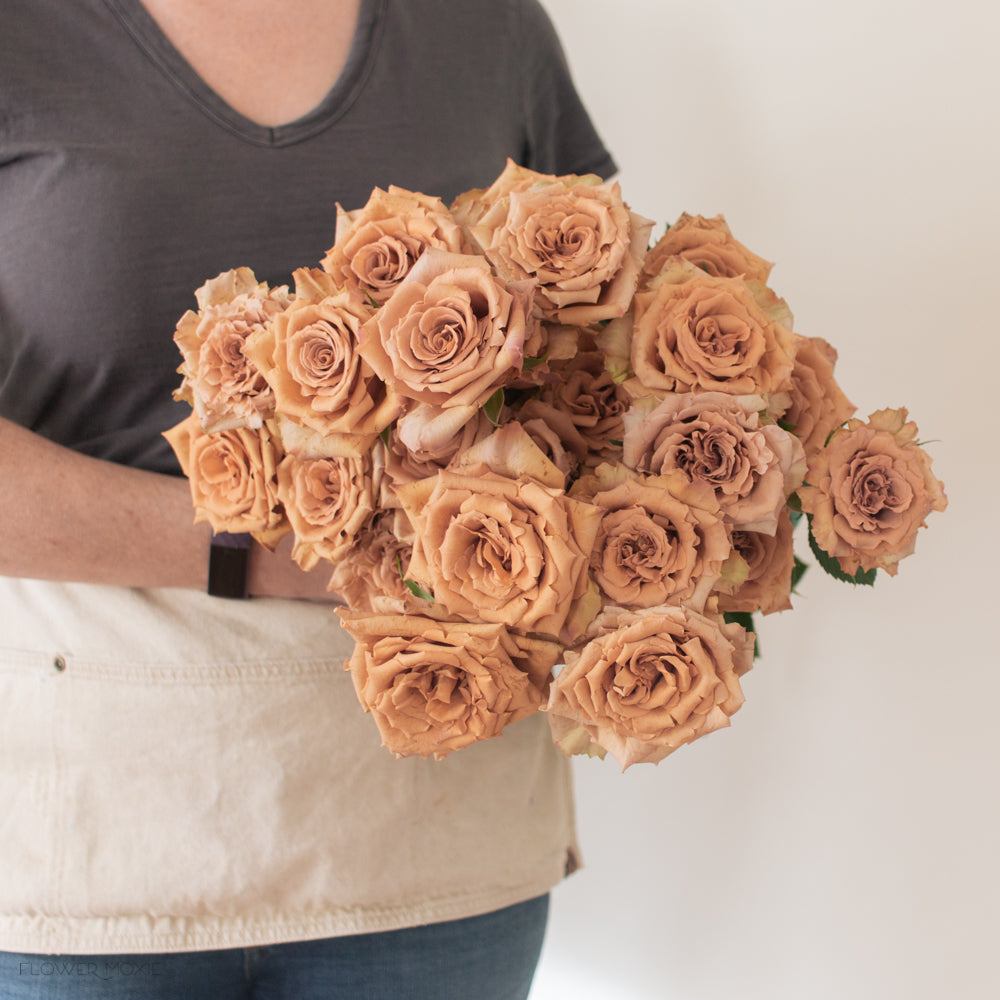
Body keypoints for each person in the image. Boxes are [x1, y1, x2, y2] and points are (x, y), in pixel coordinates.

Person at [0, 0, 617, 997]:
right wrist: (282, 556)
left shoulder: (486, 26)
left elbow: (603, 367)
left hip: (437, 843)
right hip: (91, 842)